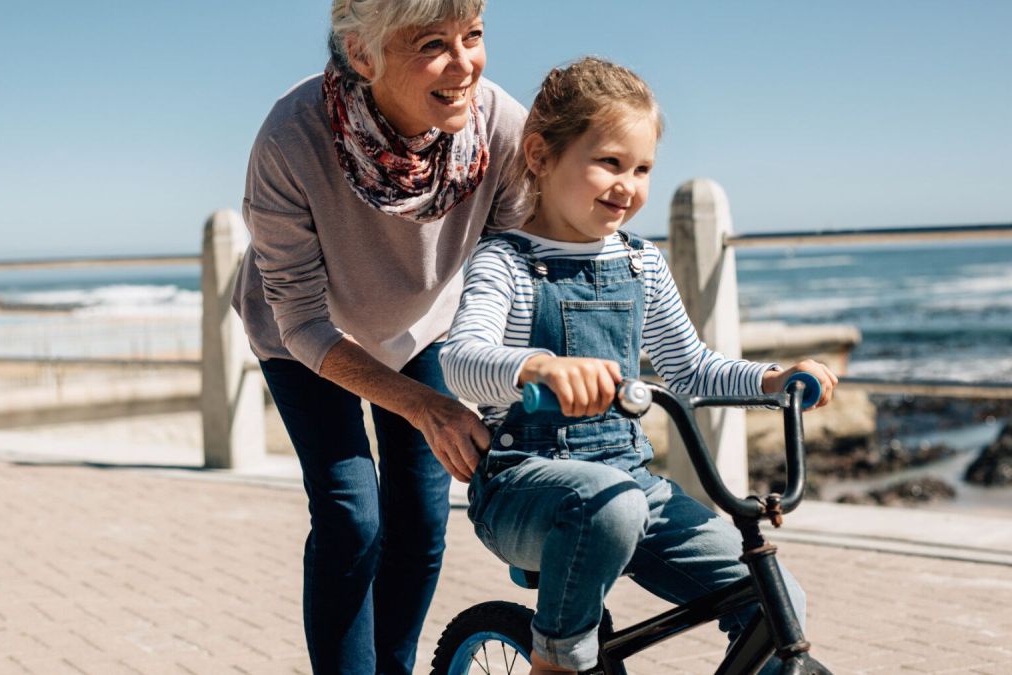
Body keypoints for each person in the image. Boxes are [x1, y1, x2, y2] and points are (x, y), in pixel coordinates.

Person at [439, 57, 839, 674]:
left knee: (777, 599)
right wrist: (537, 368)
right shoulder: (506, 262)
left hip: (634, 486)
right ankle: (556, 664)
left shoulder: (640, 263)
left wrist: (772, 380)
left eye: (642, 168)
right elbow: (460, 361)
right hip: (524, 486)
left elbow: (691, 369)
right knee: (609, 504)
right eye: (609, 163)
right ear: (542, 156)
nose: (627, 186)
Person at [230, 1, 530, 672]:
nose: (466, 63)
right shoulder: (291, 137)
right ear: (363, 55)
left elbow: (507, 276)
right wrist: (425, 406)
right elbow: (301, 320)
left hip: (424, 326)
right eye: (434, 44)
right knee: (351, 516)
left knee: (422, 524)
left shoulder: (503, 129)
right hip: (303, 335)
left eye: (473, 36)